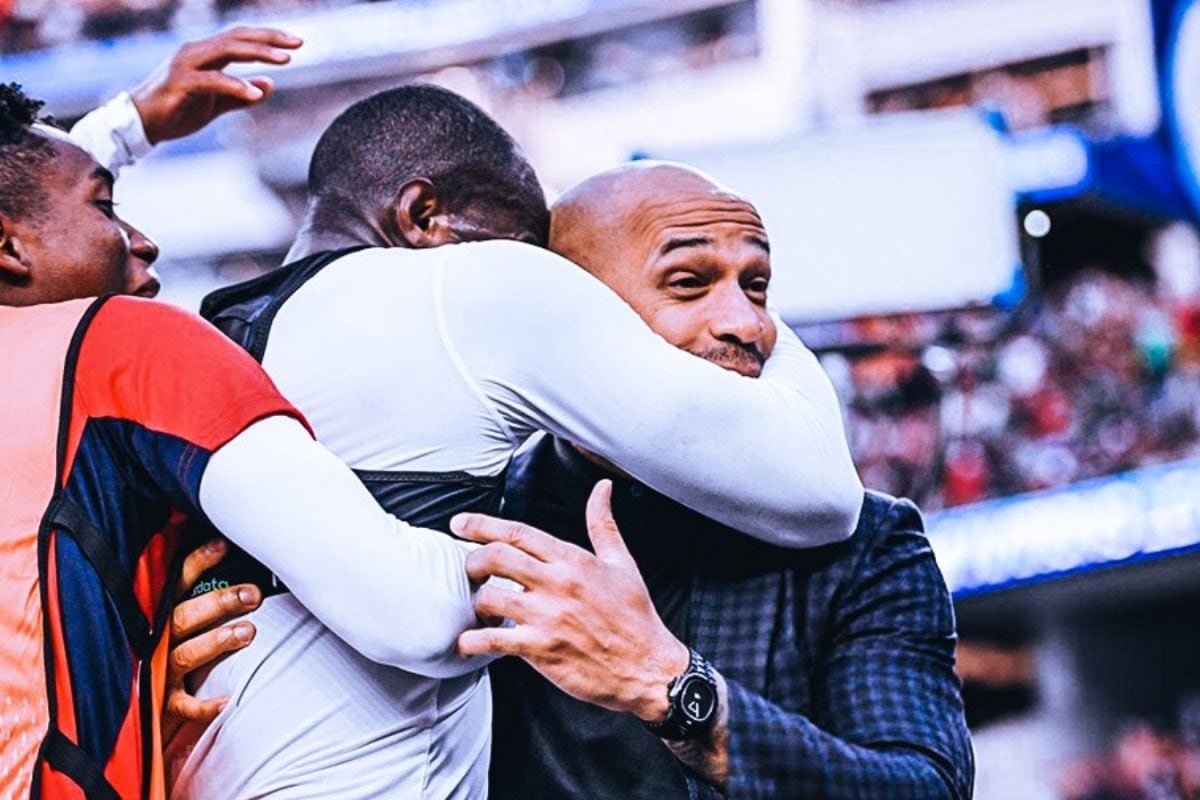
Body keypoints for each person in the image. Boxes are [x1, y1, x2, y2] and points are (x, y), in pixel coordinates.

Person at [143, 84, 866, 798]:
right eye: (529, 250)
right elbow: (820, 495)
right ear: (423, 215)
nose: (548, 280)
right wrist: (755, 302)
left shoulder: (219, 335)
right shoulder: (464, 284)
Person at [0, 46, 507, 799]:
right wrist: (568, 574)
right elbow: (417, 613)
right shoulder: (123, 345)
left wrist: (123, 128)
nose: (143, 239)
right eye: (106, 207)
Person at [453, 162, 975, 799]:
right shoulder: (470, 520)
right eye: (689, 282)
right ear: (572, 314)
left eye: (756, 287)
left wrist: (671, 687)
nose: (746, 324)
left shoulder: (864, 547)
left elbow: (926, 790)